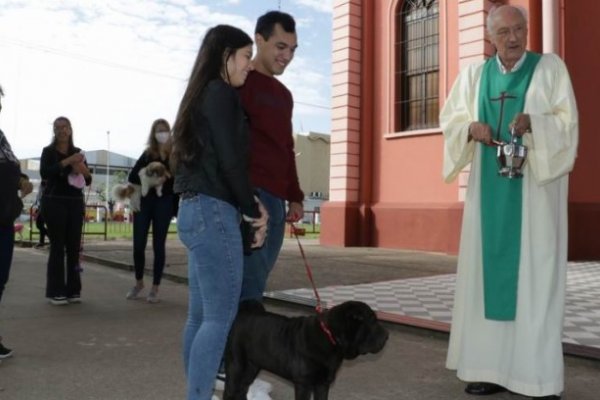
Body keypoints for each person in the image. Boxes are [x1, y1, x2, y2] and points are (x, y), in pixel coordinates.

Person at [439, 5, 578, 400]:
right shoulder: (474, 75)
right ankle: (488, 369)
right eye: (504, 33)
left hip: (535, 197)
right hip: (488, 195)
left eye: (519, 30)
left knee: (536, 278)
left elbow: (568, 124)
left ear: (528, 30)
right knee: (486, 279)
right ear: (490, 38)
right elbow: (450, 119)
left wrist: (535, 121)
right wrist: (470, 127)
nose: (513, 38)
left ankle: (537, 377)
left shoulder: (550, 68)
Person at [171, 24, 268, 400]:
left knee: (200, 317)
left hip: (194, 211)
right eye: (246, 56)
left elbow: (216, 162)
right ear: (226, 55)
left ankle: (197, 392)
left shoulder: (200, 95)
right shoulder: (221, 93)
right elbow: (230, 162)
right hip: (214, 214)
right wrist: (252, 210)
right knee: (218, 319)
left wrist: (248, 203)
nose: (250, 65)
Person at [40, 117, 92, 305]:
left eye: (65, 127)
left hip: (75, 202)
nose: (61, 130)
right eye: (58, 127)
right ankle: (55, 291)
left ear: (70, 130)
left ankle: (73, 290)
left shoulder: (79, 153)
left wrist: (84, 170)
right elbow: (45, 172)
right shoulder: (48, 152)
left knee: (73, 247)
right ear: (54, 131)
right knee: (57, 246)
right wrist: (67, 161)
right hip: (54, 202)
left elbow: (88, 179)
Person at [125, 119, 176, 303]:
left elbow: (180, 180)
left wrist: (166, 180)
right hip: (145, 202)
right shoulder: (148, 154)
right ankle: (139, 282)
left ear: (170, 132)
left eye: (165, 130)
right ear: (153, 134)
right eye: (158, 131)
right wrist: (149, 177)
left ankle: (155, 287)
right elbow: (133, 176)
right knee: (138, 244)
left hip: (165, 202)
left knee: (158, 245)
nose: (162, 133)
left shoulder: (175, 155)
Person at [0, 84, 33, 362]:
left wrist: (22, 179)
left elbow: (12, 167)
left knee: (0, 278)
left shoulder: (1, 137)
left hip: (4, 217)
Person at [33, 180, 49, 248]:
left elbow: (43, 198)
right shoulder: (42, 184)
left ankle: (53, 240)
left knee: (40, 225)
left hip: (45, 207)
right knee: (40, 225)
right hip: (40, 206)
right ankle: (42, 242)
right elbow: (39, 196)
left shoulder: (48, 185)